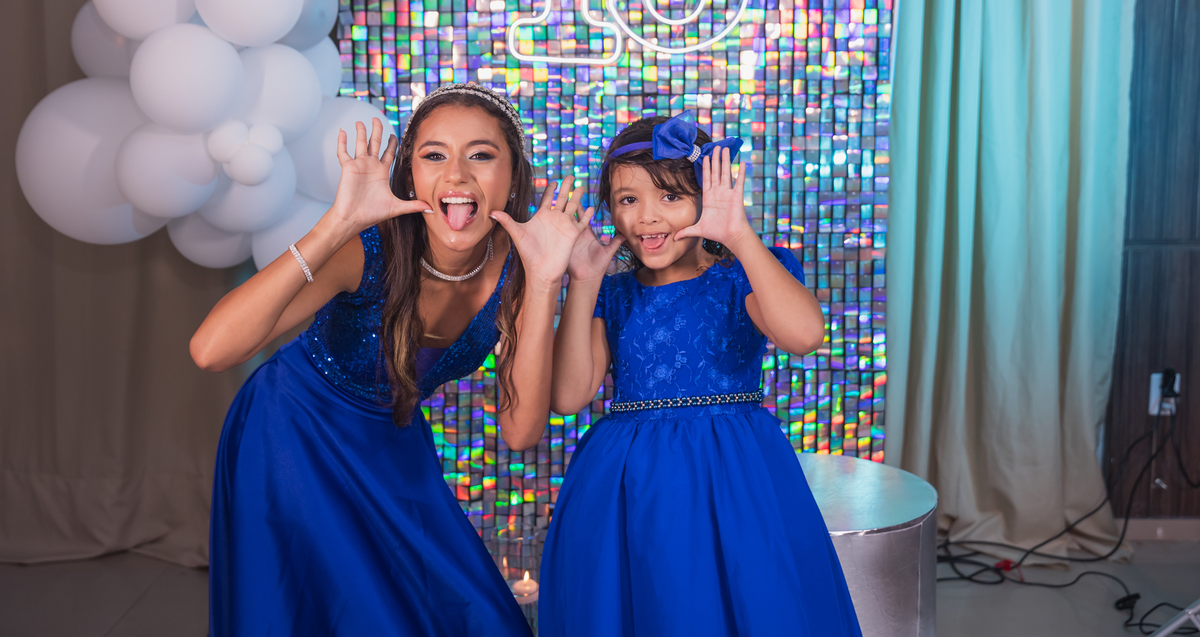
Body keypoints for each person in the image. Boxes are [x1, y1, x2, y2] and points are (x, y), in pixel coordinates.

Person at [191, 83, 592, 636]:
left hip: (393, 438)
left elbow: (521, 431)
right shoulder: (366, 248)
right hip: (292, 431)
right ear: (411, 175)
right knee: (346, 610)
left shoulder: (522, 264)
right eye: (434, 156)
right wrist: (338, 223)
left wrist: (546, 280)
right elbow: (211, 350)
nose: (456, 176)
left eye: (480, 155)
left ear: (514, 175)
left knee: (473, 613)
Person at [539, 112, 862, 636]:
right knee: (650, 604)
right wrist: (583, 280)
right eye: (628, 199)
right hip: (631, 485)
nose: (647, 217)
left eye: (670, 196)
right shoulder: (610, 293)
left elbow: (804, 336)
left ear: (705, 199)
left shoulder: (742, 276)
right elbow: (568, 396)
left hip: (731, 477)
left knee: (746, 600)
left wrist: (739, 234)